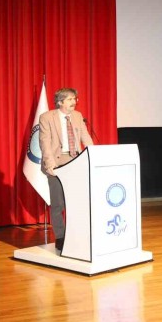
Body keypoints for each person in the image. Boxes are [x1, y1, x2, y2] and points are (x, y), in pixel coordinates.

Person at [38, 87, 94, 253]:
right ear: (60, 102)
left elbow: (85, 137)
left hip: (75, 161)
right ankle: (61, 237)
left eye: (75, 99)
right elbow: (45, 142)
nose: (74, 102)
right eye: (70, 99)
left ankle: (76, 235)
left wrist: (94, 154)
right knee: (58, 203)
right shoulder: (47, 117)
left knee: (77, 201)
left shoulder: (77, 116)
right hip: (57, 161)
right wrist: (50, 164)